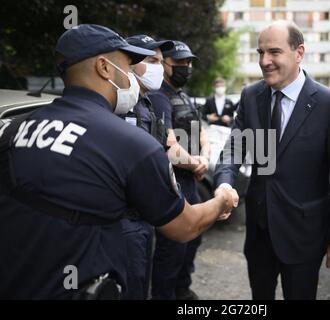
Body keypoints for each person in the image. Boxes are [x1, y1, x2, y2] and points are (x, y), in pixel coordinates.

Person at [0, 24, 236, 299]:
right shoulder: (131, 144)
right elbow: (186, 226)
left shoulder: (15, 129)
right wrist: (223, 199)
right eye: (128, 64)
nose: (132, 77)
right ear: (104, 68)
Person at [214, 20, 330, 300]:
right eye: (260, 52)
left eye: (274, 52)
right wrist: (224, 184)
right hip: (258, 233)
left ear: (299, 52)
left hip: (304, 235)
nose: (264, 61)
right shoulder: (251, 95)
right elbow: (234, 148)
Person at [148, 40, 211, 300]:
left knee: (192, 238)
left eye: (189, 63)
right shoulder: (159, 98)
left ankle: (182, 289)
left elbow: (201, 133)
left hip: (190, 179)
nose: (186, 67)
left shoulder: (183, 95)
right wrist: (197, 164)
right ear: (165, 65)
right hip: (173, 182)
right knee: (172, 248)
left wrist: (204, 159)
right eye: (180, 63)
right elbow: (169, 149)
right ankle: (165, 295)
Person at [115, 34, 173, 299]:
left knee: (141, 286)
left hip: (143, 218)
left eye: (161, 61)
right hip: (123, 221)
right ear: (129, 63)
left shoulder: (146, 102)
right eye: (151, 60)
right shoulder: (119, 105)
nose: (158, 67)